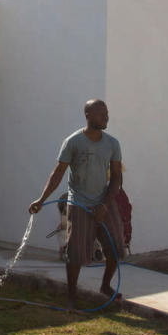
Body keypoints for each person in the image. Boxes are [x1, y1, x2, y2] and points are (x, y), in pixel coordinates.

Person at [29, 99, 126, 311]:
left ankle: (105, 286)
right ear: (88, 115)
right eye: (102, 114)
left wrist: (105, 205)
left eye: (107, 114)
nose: (106, 118)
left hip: (104, 202)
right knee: (76, 253)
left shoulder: (112, 143)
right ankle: (72, 296)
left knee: (117, 249)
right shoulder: (73, 142)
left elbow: (117, 177)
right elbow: (58, 174)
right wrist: (41, 200)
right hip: (79, 203)